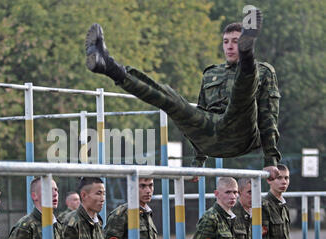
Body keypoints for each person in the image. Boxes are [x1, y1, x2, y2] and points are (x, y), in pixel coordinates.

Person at [85, 8, 281, 180]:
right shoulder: (211, 73)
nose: (229, 46)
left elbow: (268, 116)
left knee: (243, 91)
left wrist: (270, 159)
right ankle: (109, 67)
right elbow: (200, 114)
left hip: (241, 135)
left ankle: (248, 55)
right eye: (226, 41)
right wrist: (198, 161)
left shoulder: (265, 71)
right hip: (211, 138)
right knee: (170, 99)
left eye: (236, 42)